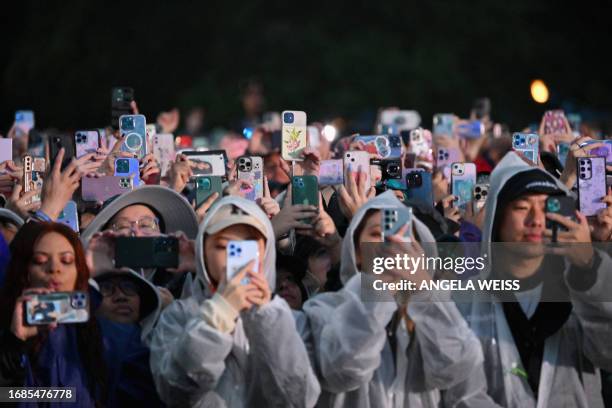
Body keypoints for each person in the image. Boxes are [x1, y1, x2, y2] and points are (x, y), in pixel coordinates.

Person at [299, 191, 487, 407]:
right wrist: (377, 288)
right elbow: (343, 370)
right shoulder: (324, 308)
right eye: (376, 234)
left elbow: (458, 369)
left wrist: (426, 293)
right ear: (357, 251)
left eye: (400, 235)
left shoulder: (444, 309)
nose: (389, 244)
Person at [459, 151, 612, 407]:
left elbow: (607, 352)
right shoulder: (462, 299)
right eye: (521, 207)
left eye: (546, 208)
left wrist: (588, 267)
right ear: (497, 219)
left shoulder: (580, 290)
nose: (536, 220)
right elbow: (457, 390)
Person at [149, 196, 320, 407]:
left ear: (266, 253)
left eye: (248, 247)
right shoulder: (179, 315)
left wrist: (267, 318)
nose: (235, 258)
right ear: (202, 253)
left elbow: (299, 399)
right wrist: (218, 318)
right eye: (223, 247)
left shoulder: (290, 320)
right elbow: (176, 392)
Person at [0, 222, 107, 406]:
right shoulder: (7, 334)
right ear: (23, 272)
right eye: (40, 261)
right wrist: (14, 345)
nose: (54, 268)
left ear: (79, 271)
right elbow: (5, 395)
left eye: (66, 260)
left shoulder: (104, 332)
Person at [81, 186, 199, 298]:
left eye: (146, 225)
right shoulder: (93, 283)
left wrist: (202, 265)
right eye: (122, 226)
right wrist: (84, 276)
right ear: (106, 235)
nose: (135, 232)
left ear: (163, 234)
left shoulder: (187, 283)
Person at [94, 269, 164, 406]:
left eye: (129, 288)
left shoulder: (163, 348)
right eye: (106, 288)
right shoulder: (70, 347)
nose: (120, 296)